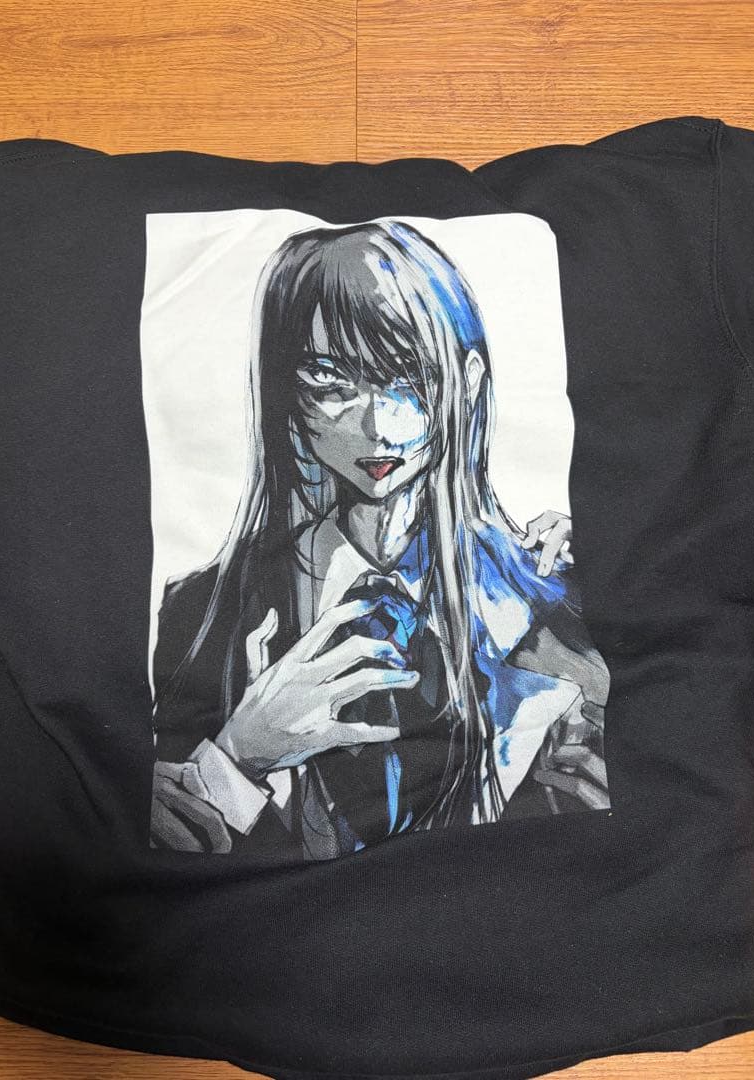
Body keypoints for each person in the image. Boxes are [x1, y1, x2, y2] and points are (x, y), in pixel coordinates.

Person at [149, 219, 610, 861]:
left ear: (468, 380)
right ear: (286, 396)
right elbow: (162, 857)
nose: (377, 424)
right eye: (330, 383)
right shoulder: (203, 609)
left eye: (408, 376)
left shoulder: (556, 596)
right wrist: (238, 756)